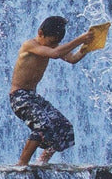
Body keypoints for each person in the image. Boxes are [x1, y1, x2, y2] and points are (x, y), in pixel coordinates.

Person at [9, 16, 93, 166]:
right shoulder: (29, 45)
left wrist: (87, 47)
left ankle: (42, 161)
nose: (53, 46)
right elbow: (55, 54)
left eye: (56, 43)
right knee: (42, 126)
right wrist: (80, 39)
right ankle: (21, 164)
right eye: (51, 42)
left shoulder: (53, 46)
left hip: (32, 96)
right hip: (19, 96)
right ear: (40, 33)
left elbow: (72, 58)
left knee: (64, 127)